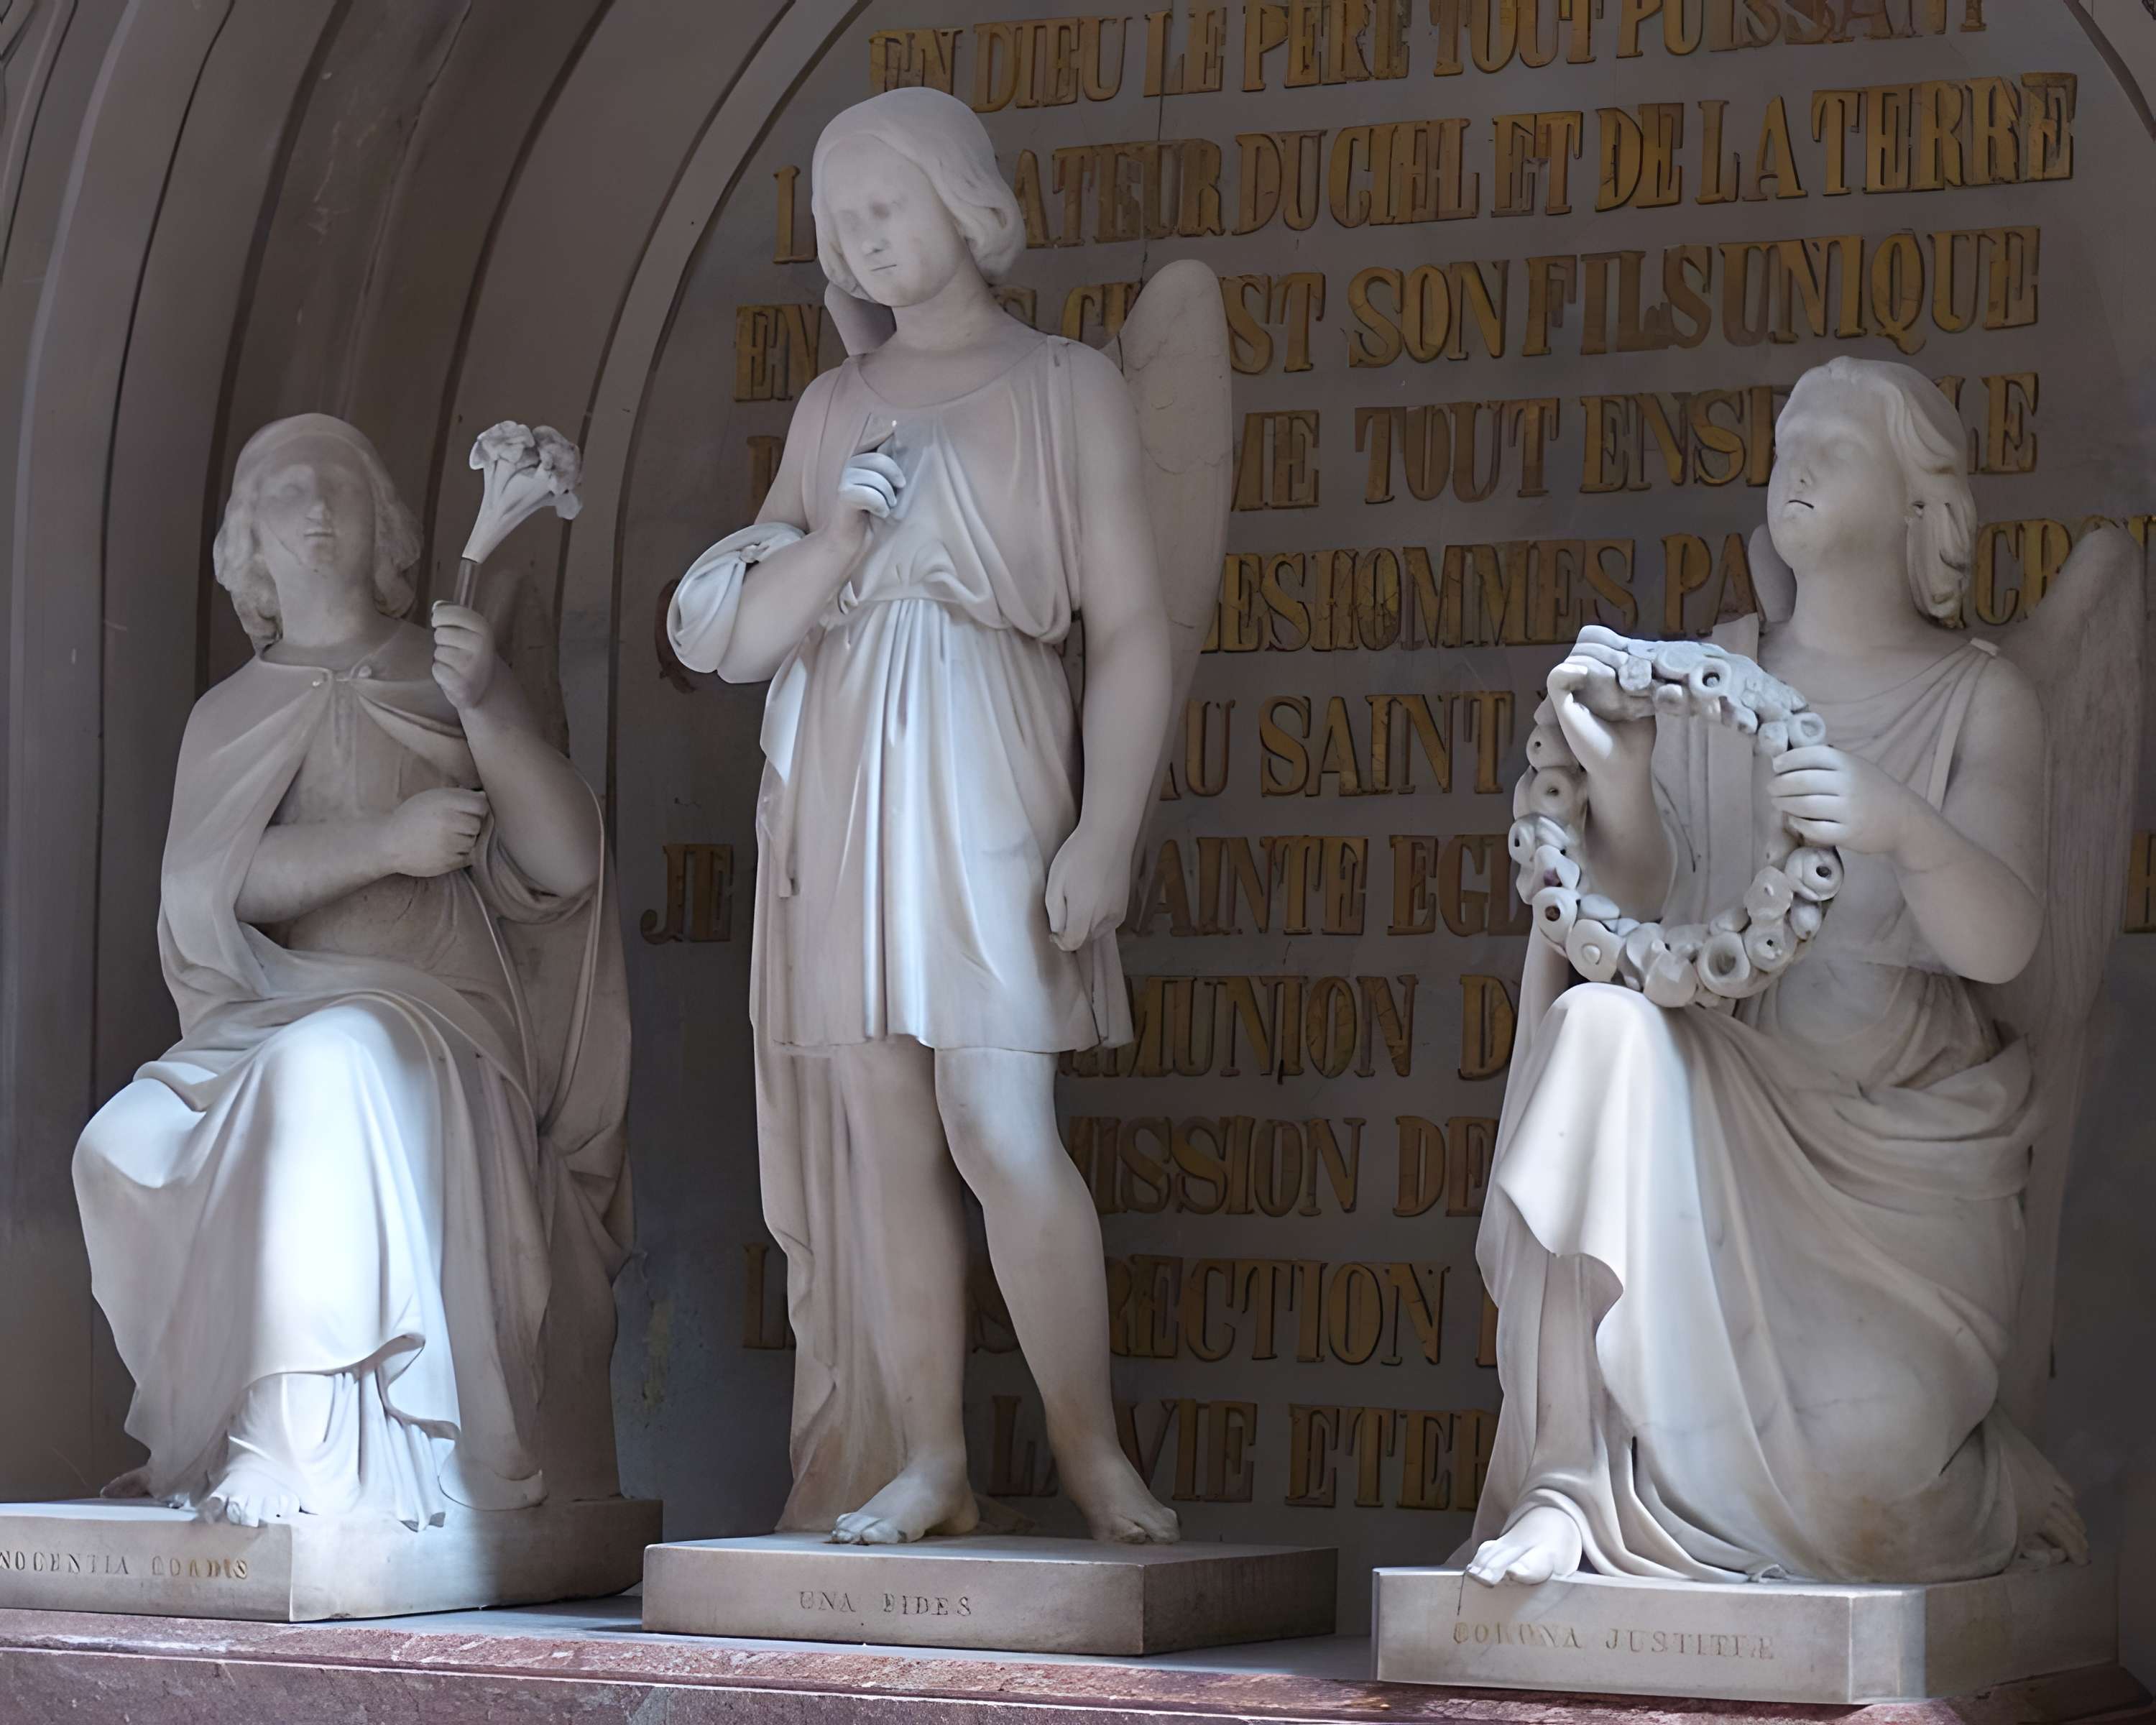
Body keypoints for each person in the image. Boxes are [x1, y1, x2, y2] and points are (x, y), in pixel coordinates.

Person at [1466, 357, 2087, 1587]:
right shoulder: (1715, 676)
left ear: (1922, 506)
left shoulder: (1978, 698)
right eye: (1787, 437)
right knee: (1597, 1030)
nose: (1794, 461)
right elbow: (1648, 927)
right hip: (1722, 1101)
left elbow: (2006, 943)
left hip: (1897, 1163)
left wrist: (1902, 823)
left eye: (1836, 446)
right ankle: (1566, 1487)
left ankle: (1987, 1482)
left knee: (1873, 1479)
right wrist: (1627, 791)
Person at [668, 87, 1178, 1545]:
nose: (865, 241)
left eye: (885, 207)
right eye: (841, 225)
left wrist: (1108, 832)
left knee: (997, 1115)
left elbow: (1135, 628)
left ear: (964, 199)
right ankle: (935, 1457)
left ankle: (1093, 1452)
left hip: (987, 753)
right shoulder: (832, 409)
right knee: (886, 1124)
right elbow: (752, 634)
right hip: (846, 774)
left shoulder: (1067, 386)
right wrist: (841, 538)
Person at [74, 415, 631, 1530]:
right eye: (284, 490)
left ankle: (300, 1441)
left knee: (322, 1074)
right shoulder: (226, 715)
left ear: (389, 531)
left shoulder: (448, 661)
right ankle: (205, 1428)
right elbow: (205, 893)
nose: (317, 506)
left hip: (433, 1013)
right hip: (268, 1009)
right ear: (249, 550)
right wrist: (382, 841)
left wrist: (492, 707)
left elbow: (568, 865)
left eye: (342, 485)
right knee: (119, 1143)